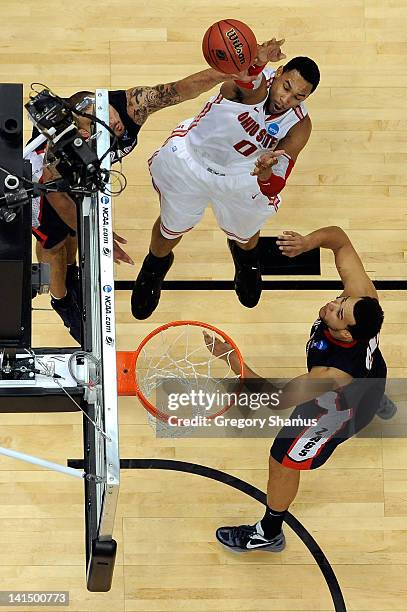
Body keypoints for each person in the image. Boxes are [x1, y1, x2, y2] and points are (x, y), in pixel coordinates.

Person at [29, 62, 260, 342]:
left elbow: (179, 90)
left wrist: (226, 73)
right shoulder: (56, 152)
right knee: (53, 245)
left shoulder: (131, 105)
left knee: (74, 235)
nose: (112, 123)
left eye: (106, 115)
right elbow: (56, 196)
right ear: (82, 134)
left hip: (78, 181)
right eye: (94, 127)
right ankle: (62, 302)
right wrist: (99, 236)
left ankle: (72, 273)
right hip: (45, 189)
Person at [203, 226, 387, 552]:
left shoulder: (329, 375)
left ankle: (269, 532)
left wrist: (231, 358)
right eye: (341, 299)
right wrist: (307, 243)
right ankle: (375, 402)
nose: (333, 302)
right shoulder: (364, 298)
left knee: (282, 460)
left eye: (339, 312)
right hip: (372, 378)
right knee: (369, 386)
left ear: (347, 335)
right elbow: (340, 238)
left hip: (335, 411)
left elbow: (274, 399)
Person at [131, 47, 320, 320]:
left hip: (244, 175)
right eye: (285, 86)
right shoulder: (248, 87)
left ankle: (247, 263)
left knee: (247, 230)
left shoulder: (299, 125)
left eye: (298, 96)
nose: (285, 98)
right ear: (277, 74)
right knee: (169, 229)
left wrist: (265, 172)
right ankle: (154, 267)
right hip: (193, 163)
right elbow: (245, 82)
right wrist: (257, 60)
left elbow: (275, 186)